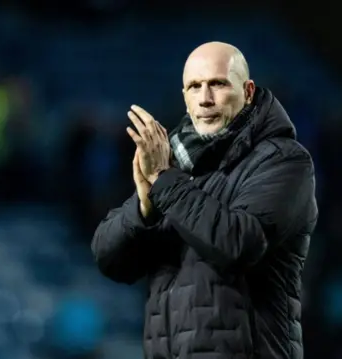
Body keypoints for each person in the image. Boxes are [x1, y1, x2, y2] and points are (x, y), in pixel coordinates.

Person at [91, 41, 318, 359]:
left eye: (218, 84)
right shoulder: (173, 164)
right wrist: (144, 206)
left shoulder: (283, 160)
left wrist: (164, 183)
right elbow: (110, 261)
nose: (205, 98)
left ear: (248, 91)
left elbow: (237, 243)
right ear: (185, 98)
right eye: (194, 87)